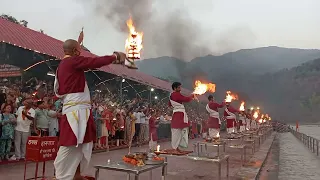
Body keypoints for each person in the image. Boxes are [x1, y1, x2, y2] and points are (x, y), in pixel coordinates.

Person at [53, 39, 127, 180]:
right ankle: (61, 175)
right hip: (76, 112)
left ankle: (76, 174)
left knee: (81, 145)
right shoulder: (71, 62)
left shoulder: (64, 65)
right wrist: (114, 57)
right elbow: (94, 62)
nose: (80, 52)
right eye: (79, 50)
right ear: (75, 51)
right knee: (69, 144)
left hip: (80, 110)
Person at [169, 82, 195, 153]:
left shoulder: (173, 95)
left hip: (179, 114)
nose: (180, 89)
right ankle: (174, 148)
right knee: (176, 132)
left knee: (180, 132)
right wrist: (191, 96)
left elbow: (169, 104)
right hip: (178, 115)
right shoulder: (175, 94)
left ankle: (176, 147)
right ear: (175, 88)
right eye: (179, 87)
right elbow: (186, 99)